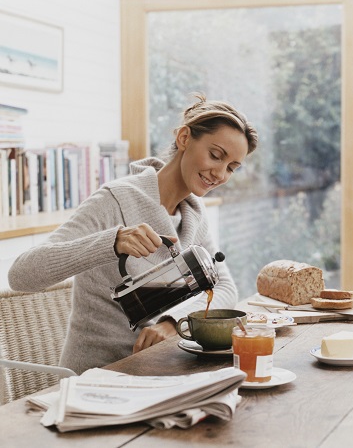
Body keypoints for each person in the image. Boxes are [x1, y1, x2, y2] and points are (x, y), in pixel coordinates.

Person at [8, 94, 259, 374]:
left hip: (162, 369)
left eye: (232, 168)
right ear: (185, 138)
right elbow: (21, 275)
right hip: (99, 376)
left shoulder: (193, 213)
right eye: (215, 155)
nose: (220, 174)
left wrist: (174, 321)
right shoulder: (115, 200)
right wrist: (111, 242)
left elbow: (225, 288)